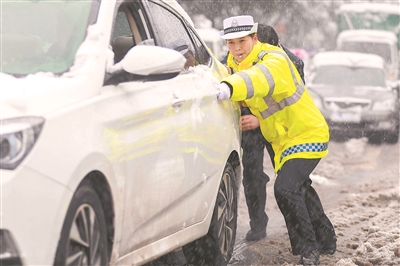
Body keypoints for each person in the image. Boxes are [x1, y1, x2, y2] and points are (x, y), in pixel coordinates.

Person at [217, 15, 336, 265]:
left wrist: (229, 87)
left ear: (255, 38)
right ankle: (326, 238)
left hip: (307, 134)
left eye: (242, 41)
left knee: (286, 188)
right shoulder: (233, 63)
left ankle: (309, 250)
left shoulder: (273, 59)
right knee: (300, 187)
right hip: (283, 140)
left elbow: (258, 79)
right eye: (231, 43)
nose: (236, 48)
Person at [223, 23, 306, 242]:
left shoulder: (291, 62)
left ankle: (302, 230)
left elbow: (293, 104)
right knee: (252, 177)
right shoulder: (233, 58)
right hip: (249, 126)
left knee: (291, 178)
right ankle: (258, 225)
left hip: (279, 126)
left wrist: (259, 119)